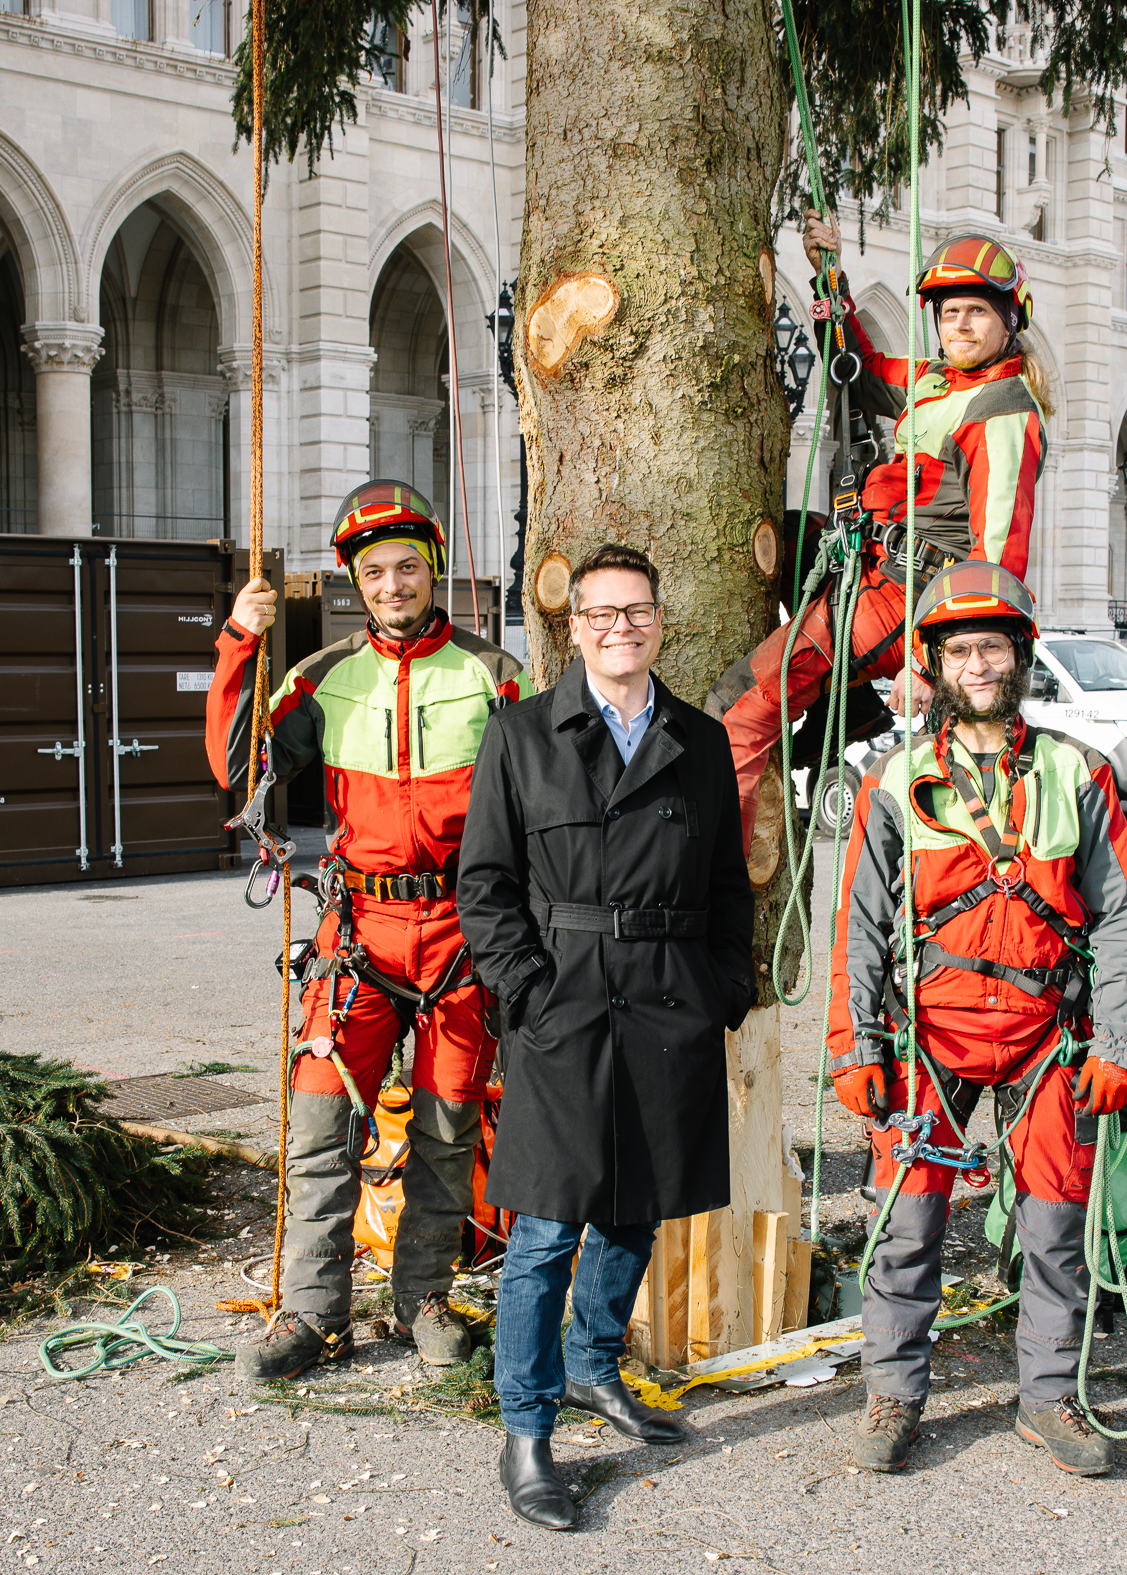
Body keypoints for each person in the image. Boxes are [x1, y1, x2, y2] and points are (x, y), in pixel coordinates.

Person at [827, 561, 1127, 1476]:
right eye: (960, 648)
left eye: (994, 645)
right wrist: (857, 1043)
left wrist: (1120, 1041)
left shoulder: (1077, 773)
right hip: (930, 1034)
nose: (978, 663)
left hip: (1048, 1033)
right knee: (908, 1223)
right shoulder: (895, 781)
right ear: (934, 663)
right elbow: (861, 922)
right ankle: (892, 1393)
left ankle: (1049, 1398)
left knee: (1056, 1224)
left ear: (1020, 654)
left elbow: (1121, 916)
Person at [456, 543, 755, 1531]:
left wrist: (721, 989)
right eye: (601, 614)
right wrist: (524, 992)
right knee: (544, 1229)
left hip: (671, 1002)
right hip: (563, 1006)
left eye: (637, 611)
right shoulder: (522, 735)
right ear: (570, 626)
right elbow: (486, 886)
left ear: (659, 621)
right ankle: (528, 1428)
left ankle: (593, 1368)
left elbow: (724, 885)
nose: (620, 628)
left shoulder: (701, 742)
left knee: (637, 1209)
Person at [206, 479, 527, 1382]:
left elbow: (540, 807)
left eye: (408, 567)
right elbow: (239, 772)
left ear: (433, 570)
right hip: (360, 933)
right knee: (318, 1125)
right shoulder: (317, 677)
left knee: (447, 1126)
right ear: (355, 579)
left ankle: (421, 1296)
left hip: (463, 932)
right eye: (376, 571)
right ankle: (313, 1313)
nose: (394, 584)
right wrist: (242, 640)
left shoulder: (495, 674)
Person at [706, 213, 1053, 851]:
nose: (960, 326)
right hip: (870, 566)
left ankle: (715, 870)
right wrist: (828, 271)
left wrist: (928, 661)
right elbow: (858, 369)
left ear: (1010, 319)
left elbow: (996, 563)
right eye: (949, 314)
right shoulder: (935, 384)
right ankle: (849, 701)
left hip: (909, 598)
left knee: (738, 706)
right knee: (780, 537)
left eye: (976, 312)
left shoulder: (1002, 413)